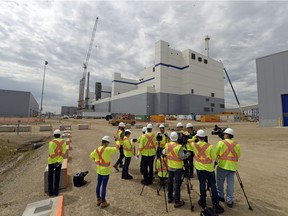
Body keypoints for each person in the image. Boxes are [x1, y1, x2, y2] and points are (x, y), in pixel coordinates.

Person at [190, 130, 224, 214]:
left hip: (199, 169)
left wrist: (193, 138)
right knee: (213, 186)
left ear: (198, 137)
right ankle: (216, 203)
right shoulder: (210, 146)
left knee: (202, 185)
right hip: (209, 169)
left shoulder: (194, 145)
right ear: (205, 137)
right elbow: (213, 157)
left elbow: (188, 142)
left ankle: (203, 201)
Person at [163, 131, 191, 208]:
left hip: (170, 166)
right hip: (178, 168)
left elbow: (164, 152)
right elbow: (182, 157)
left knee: (170, 182)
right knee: (177, 184)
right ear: (177, 138)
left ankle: (169, 197)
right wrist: (188, 153)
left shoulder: (167, 145)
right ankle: (177, 201)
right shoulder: (179, 147)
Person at [90, 136, 117, 208]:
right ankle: (103, 202)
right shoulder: (108, 149)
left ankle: (98, 199)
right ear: (107, 143)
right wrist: (117, 140)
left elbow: (91, 156)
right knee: (104, 186)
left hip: (99, 170)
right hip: (105, 171)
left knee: (98, 185)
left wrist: (96, 159)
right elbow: (116, 148)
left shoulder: (96, 150)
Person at [216, 128, 241, 208]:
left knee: (220, 182)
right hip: (232, 167)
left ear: (226, 135)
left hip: (222, 166)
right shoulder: (236, 144)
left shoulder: (220, 143)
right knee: (230, 184)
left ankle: (221, 196)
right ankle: (229, 200)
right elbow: (238, 155)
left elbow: (217, 153)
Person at [48, 129, 67, 196]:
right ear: (60, 135)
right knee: (57, 176)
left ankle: (50, 192)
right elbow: (63, 152)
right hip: (59, 162)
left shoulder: (51, 142)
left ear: (54, 135)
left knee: (50, 176)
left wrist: (55, 160)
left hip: (51, 162)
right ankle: (56, 192)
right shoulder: (63, 142)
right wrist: (58, 160)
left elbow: (51, 153)